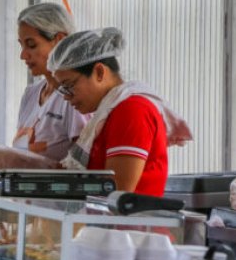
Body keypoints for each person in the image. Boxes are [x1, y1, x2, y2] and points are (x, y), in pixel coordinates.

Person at [48, 27, 192, 196]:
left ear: (99, 72)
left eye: (69, 86)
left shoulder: (132, 110)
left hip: (132, 221)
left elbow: (117, 190)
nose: (66, 97)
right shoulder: (108, 114)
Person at [12, 3, 89, 162]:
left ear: (60, 40)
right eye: (21, 45)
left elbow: (81, 167)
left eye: (31, 45)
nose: (23, 55)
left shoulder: (74, 99)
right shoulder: (31, 94)